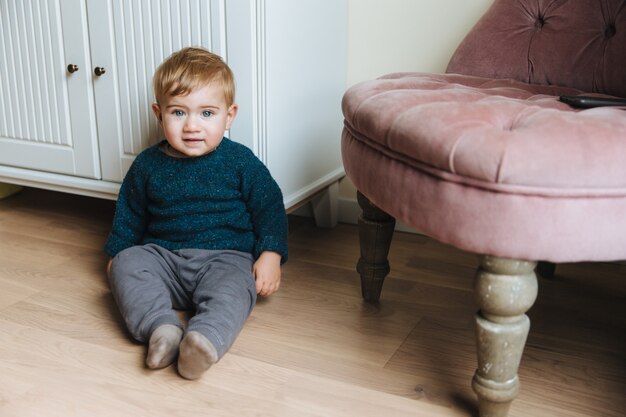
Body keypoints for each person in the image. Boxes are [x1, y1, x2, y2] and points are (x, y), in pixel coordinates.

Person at [104, 47, 288, 380]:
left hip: (225, 258)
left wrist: (271, 254)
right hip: (164, 258)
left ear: (229, 116)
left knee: (236, 288)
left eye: (206, 113)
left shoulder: (240, 162)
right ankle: (161, 330)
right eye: (178, 113)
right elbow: (129, 215)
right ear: (159, 114)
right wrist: (118, 255)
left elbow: (269, 207)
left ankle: (203, 341)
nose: (191, 126)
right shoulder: (147, 165)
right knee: (127, 264)